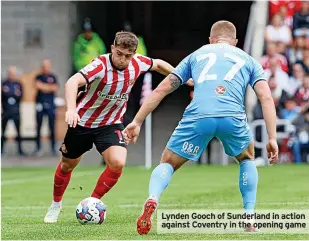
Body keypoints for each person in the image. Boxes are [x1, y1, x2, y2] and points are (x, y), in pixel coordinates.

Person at [123, 21, 279, 235]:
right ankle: (249, 215)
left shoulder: (197, 55)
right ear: (235, 42)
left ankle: (153, 198)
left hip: (199, 115)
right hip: (232, 117)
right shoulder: (248, 59)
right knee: (247, 158)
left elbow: (162, 89)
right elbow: (266, 97)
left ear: (210, 40)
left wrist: (137, 121)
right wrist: (272, 137)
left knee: (168, 162)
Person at [43, 31, 175, 223]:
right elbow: (72, 82)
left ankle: (93, 203)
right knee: (66, 165)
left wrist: (181, 76)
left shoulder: (137, 63)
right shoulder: (100, 65)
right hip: (82, 123)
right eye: (119, 54)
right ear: (113, 48)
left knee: (118, 162)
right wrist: (71, 109)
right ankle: (55, 205)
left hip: (110, 123)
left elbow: (159, 64)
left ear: (134, 54)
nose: (123, 59)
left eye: (128, 56)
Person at [34, 60, 59, 156]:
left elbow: (55, 88)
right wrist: (48, 87)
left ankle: (53, 148)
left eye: (47, 66)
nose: (45, 68)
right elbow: (37, 86)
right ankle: (38, 148)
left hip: (51, 105)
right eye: (44, 66)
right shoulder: (38, 77)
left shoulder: (53, 77)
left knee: (52, 127)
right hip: (40, 105)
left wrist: (44, 87)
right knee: (38, 127)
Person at [1, 66, 25, 156]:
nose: (11, 75)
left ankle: (20, 150)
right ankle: (1, 150)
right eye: (10, 73)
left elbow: (20, 96)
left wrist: (12, 94)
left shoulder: (18, 84)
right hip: (6, 111)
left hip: (15, 111)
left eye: (13, 73)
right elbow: (4, 95)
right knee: (3, 132)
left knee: (18, 131)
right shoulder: (4, 83)